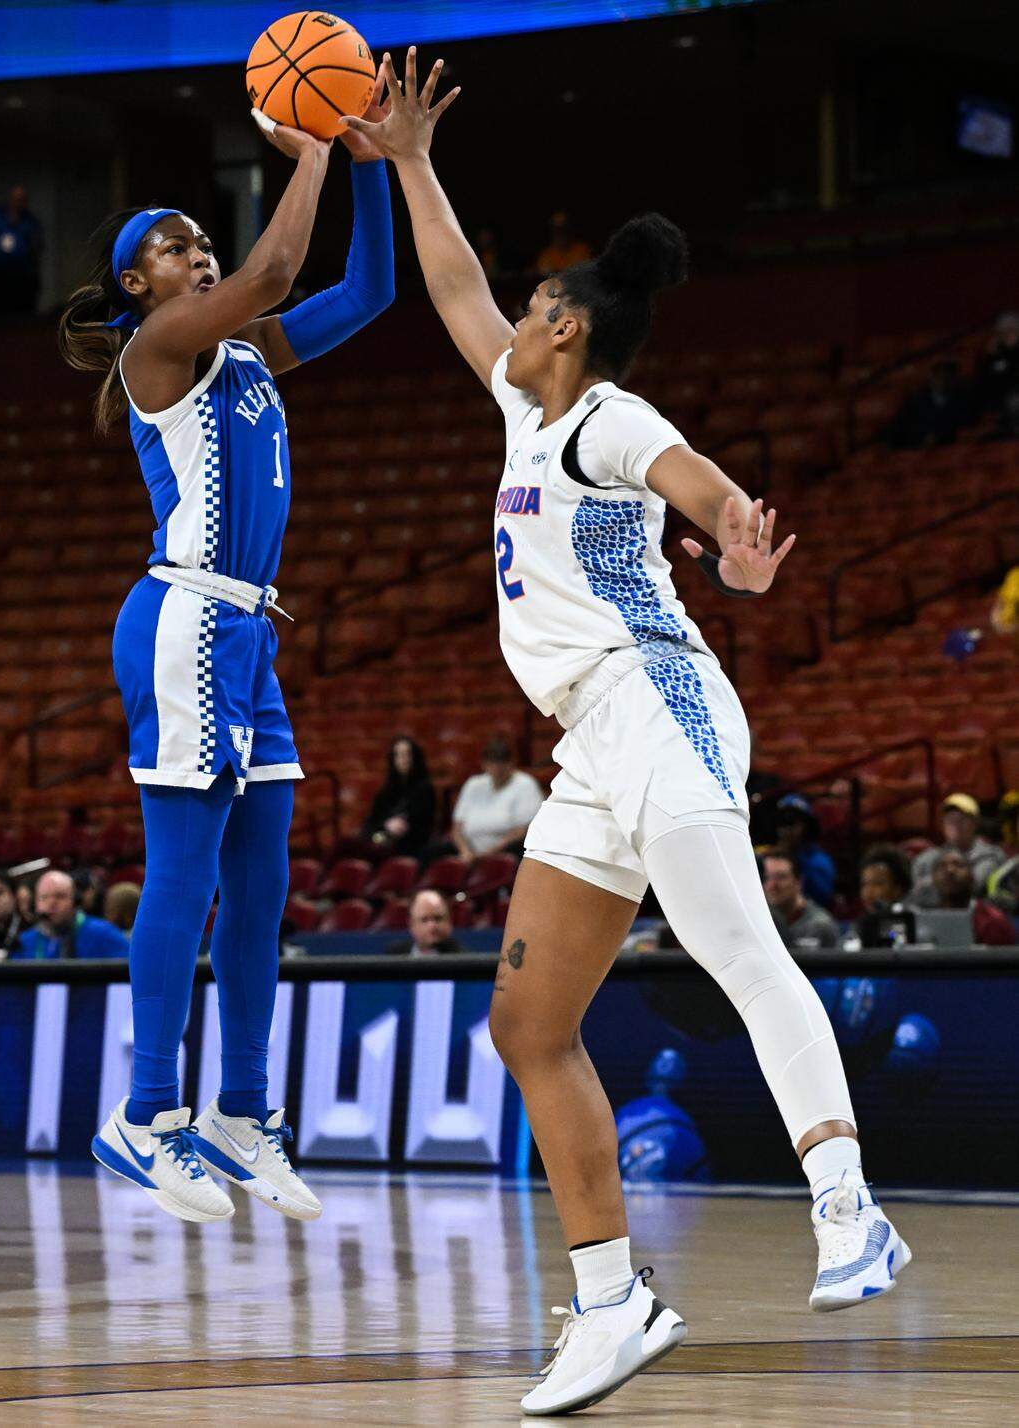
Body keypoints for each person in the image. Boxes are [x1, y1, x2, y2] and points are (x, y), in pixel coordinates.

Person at [343, 51, 912, 1415]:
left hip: (656, 700)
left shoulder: (608, 418)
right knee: (528, 1025)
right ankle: (612, 1303)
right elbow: (459, 287)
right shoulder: (523, 403)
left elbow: (698, 482)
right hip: (587, 744)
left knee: (737, 948)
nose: (517, 319)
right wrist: (414, 162)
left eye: (540, 310)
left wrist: (735, 547)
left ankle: (848, 1204)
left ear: (573, 335)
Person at [57, 75, 393, 1226]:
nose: (195, 253)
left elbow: (372, 288)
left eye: (198, 237)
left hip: (247, 630)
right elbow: (273, 274)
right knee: (187, 875)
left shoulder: (247, 355)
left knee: (263, 883)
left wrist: (369, 158)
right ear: (135, 285)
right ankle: (145, 1116)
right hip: (185, 617)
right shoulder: (159, 349)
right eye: (169, 245)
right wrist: (308, 145)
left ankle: (239, 1111)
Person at [450, 736, 543, 860]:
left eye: (502, 762)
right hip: (469, 850)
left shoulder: (525, 784)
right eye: (492, 762)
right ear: (484, 764)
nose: (497, 768)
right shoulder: (473, 784)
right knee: (433, 852)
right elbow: (457, 828)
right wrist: (465, 851)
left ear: (512, 763)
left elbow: (522, 831)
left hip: (505, 849)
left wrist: (489, 853)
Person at [910, 793, 1006, 903]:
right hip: (933, 915)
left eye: (962, 819)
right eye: (950, 819)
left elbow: (971, 886)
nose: (956, 824)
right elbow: (919, 893)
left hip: (976, 916)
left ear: (975, 823)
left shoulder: (991, 855)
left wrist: (937, 880)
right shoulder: (926, 859)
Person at [909, 848, 1016, 946]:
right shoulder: (918, 920)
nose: (950, 871)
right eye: (941, 866)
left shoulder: (993, 921)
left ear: (972, 877)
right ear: (933, 878)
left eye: (959, 865)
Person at [15, 870, 131, 959]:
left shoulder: (103, 933)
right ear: (35, 903)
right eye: (44, 897)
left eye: (60, 896)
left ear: (76, 900)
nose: (51, 904)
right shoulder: (25, 941)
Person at [0, 184, 44, 324]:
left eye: (22, 200)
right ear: (9, 200)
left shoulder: (31, 222)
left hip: (21, 281)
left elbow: (36, 250)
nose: (19, 203)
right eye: (16, 199)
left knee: (19, 322)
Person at [361, 735, 436, 856]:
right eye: (398, 755)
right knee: (346, 845)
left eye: (407, 754)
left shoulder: (425, 790)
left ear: (415, 758)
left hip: (408, 844)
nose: (403, 759)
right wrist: (385, 825)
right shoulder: (386, 791)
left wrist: (397, 827)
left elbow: (422, 825)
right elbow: (372, 820)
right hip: (381, 839)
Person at [887, 359, 974, 449]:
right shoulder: (916, 401)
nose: (943, 382)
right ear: (932, 378)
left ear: (955, 379)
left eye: (947, 378)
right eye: (939, 377)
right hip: (918, 449)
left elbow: (965, 428)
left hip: (951, 450)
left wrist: (940, 437)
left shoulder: (964, 400)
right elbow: (903, 427)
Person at [761, 851, 840, 949]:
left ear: (798, 882)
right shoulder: (758, 922)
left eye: (781, 877)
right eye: (767, 878)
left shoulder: (820, 926)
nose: (772, 885)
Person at [775, 793, 837, 908]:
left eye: (793, 822)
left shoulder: (819, 860)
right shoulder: (770, 858)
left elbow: (823, 896)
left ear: (806, 826)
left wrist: (796, 857)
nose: (786, 829)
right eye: (782, 821)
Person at [383, 889, 463, 956]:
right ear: (412, 924)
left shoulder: (464, 961)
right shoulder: (394, 956)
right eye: (424, 920)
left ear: (449, 921)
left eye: (438, 918)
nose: (432, 926)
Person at [976, 311, 1019, 411]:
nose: (1007, 334)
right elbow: (985, 381)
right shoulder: (995, 353)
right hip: (1000, 407)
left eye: (1011, 329)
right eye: (1003, 331)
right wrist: (989, 356)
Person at [534, 211, 592, 276]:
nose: (560, 233)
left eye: (563, 229)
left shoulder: (583, 250)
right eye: (556, 229)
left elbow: (585, 274)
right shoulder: (546, 254)